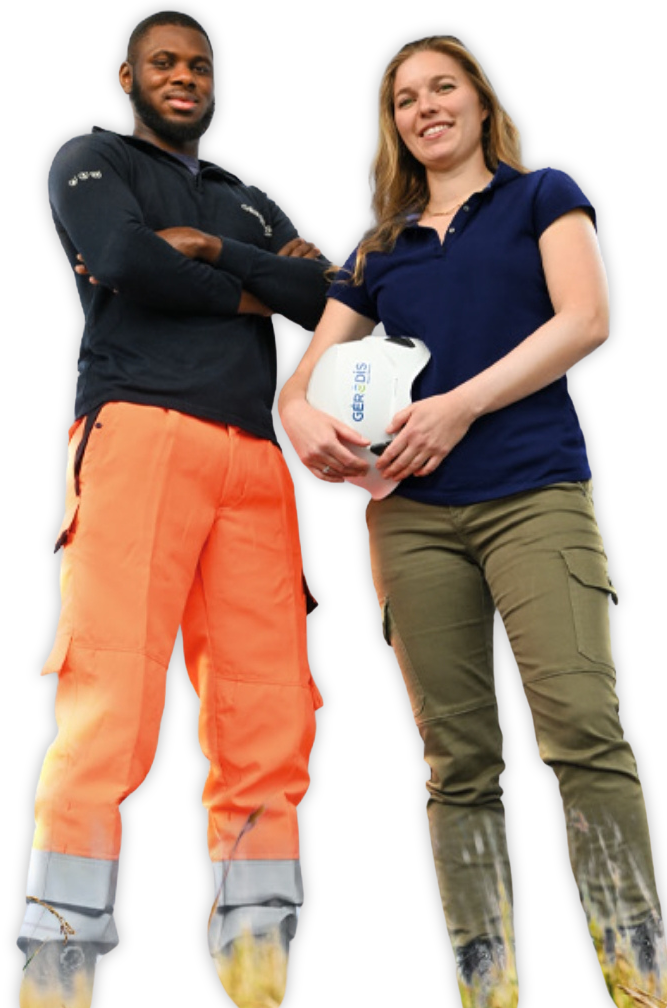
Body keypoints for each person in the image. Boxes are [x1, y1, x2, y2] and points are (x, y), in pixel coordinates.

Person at [278, 33, 666, 1007]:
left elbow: (585, 319)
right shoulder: (377, 245)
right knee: (456, 765)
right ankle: (486, 990)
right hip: (408, 520)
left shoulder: (542, 196)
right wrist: (298, 421)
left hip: (535, 495)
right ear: (393, 125)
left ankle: (637, 983)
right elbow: (303, 380)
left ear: (481, 103)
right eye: (404, 97)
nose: (424, 107)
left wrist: (458, 406)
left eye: (442, 87)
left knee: (582, 733)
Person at [18, 11, 329, 1008]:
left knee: (268, 708)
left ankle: (258, 955)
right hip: (137, 433)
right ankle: (60, 956)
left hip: (256, 460)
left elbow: (329, 297)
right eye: (164, 62)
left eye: (199, 64)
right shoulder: (91, 160)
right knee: (110, 698)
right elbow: (125, 260)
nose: (184, 75)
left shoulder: (246, 200)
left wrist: (216, 252)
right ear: (128, 77)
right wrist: (258, 287)